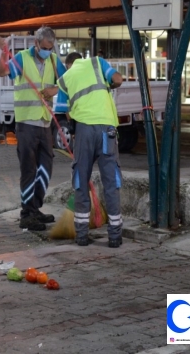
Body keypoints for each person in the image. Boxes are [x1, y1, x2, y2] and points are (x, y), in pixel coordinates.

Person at [0, 27, 66, 231]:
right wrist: (3, 52)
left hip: (45, 123)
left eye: (51, 48)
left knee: (45, 169)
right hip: (26, 124)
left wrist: (55, 89)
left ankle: (35, 208)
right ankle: (26, 214)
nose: (48, 51)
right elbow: (2, 72)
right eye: (45, 48)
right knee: (29, 170)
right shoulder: (22, 58)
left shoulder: (53, 60)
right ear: (36, 43)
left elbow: (66, 81)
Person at [57, 53, 124, 248]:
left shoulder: (66, 78)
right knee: (111, 182)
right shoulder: (98, 62)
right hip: (106, 130)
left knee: (80, 180)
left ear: (69, 65)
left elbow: (64, 113)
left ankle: (81, 235)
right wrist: (109, 86)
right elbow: (118, 79)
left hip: (84, 131)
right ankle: (114, 236)